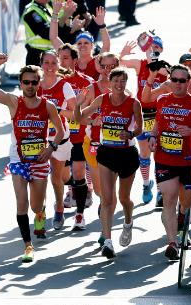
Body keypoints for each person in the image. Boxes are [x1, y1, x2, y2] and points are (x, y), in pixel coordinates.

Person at [0, 54, 64, 262]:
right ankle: (28, 246)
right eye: (26, 82)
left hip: (39, 161)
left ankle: (40, 214)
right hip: (18, 161)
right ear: (21, 84)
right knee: (21, 204)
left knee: (35, 206)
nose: (30, 86)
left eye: (34, 82)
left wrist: (51, 147)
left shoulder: (47, 106)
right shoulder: (14, 102)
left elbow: (61, 130)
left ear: (39, 84)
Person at [76, 68, 143, 259]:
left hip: (127, 154)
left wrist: (130, 134)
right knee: (107, 199)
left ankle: (128, 221)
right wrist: (78, 105)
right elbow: (80, 118)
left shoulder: (133, 103)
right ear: (110, 82)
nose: (119, 85)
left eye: (123, 81)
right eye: (116, 81)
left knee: (124, 198)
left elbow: (140, 127)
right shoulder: (102, 100)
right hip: (106, 153)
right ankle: (107, 241)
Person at [144, 64, 191, 260]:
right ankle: (172, 243)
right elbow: (157, 125)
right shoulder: (162, 100)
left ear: (189, 82)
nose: (178, 84)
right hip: (165, 159)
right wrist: (153, 136)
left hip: (188, 162)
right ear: (169, 81)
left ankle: (182, 221)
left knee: (186, 203)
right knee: (169, 199)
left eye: (182, 80)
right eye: (174, 80)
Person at [119, 34, 167, 206]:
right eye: (150, 46)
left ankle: (161, 190)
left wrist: (150, 52)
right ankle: (147, 185)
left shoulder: (164, 68)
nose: (153, 49)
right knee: (145, 153)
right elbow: (120, 63)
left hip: (159, 114)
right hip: (141, 114)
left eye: (157, 47)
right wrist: (123, 53)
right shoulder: (140, 63)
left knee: (160, 153)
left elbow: (158, 67)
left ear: (161, 51)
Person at [75, 52, 121, 230]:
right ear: (98, 67)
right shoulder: (92, 88)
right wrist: (92, 120)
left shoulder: (124, 90)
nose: (108, 70)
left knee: (111, 189)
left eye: (112, 66)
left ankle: (105, 231)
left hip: (116, 146)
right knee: (100, 190)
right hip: (93, 144)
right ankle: (104, 204)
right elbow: (79, 118)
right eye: (104, 66)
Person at [36, 50, 77, 231]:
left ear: (59, 64)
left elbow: (75, 114)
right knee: (40, 177)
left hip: (59, 137)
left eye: (54, 63)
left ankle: (59, 208)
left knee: (56, 178)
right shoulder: (35, 83)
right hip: (38, 137)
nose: (50, 67)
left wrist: (58, 111)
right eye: (47, 63)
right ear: (41, 64)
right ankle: (40, 211)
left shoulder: (64, 85)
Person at [55, 43, 94, 230]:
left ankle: (79, 215)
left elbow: (87, 110)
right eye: (59, 58)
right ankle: (72, 192)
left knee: (78, 174)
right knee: (62, 178)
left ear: (75, 61)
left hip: (78, 136)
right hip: (59, 138)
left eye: (65, 58)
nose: (61, 61)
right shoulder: (52, 82)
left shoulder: (85, 82)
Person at [50, 1, 110, 81]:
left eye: (86, 43)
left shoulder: (97, 61)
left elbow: (106, 46)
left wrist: (102, 25)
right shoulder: (70, 60)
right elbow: (54, 38)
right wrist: (55, 13)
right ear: (75, 46)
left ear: (92, 46)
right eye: (79, 43)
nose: (82, 45)